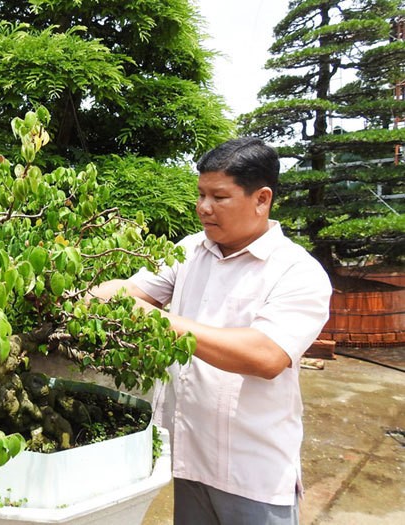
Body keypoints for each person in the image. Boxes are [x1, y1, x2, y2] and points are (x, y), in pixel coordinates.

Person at [90, 137, 332, 525]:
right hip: (189, 458)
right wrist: (66, 294)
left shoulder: (296, 271)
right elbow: (133, 291)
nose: (204, 208)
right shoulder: (189, 249)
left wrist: (156, 320)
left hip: (253, 471)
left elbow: (265, 356)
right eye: (201, 194)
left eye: (219, 197)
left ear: (261, 198)